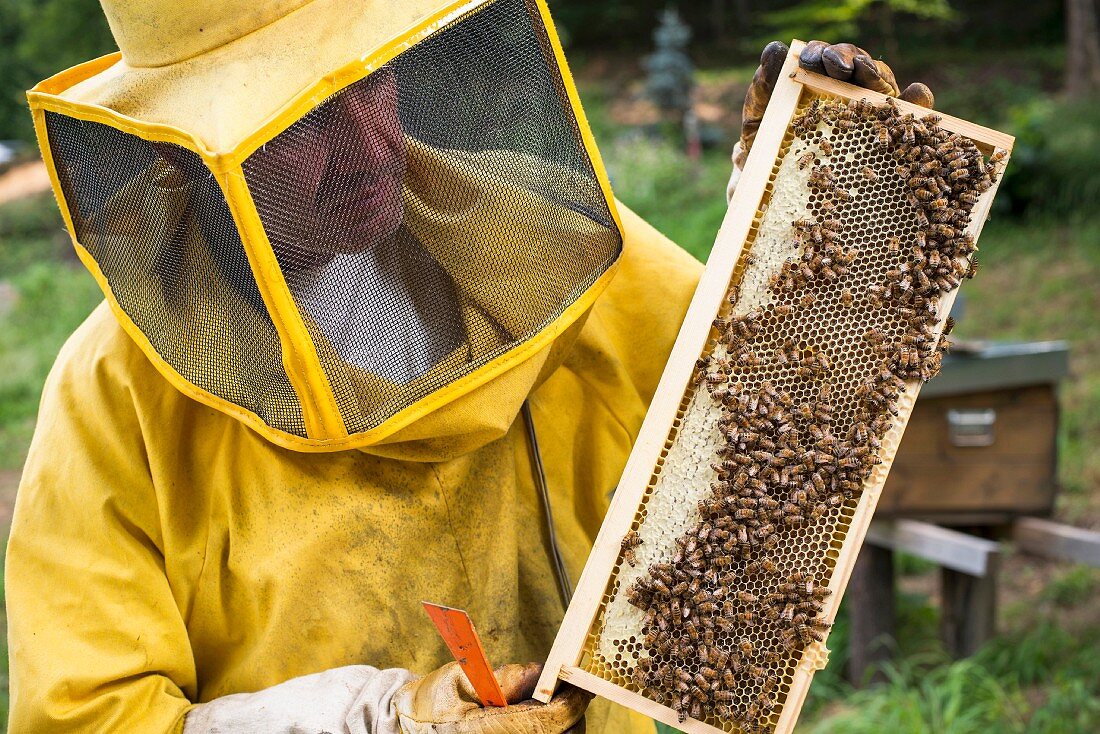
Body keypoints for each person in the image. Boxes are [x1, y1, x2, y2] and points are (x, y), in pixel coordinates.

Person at [6, 0, 933, 729]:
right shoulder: (113, 396)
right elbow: (91, 718)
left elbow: (771, 408)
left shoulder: (542, 235)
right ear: (190, 155)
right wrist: (381, 722)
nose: (370, 145)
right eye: (304, 123)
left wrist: (811, 216)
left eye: (372, 85)